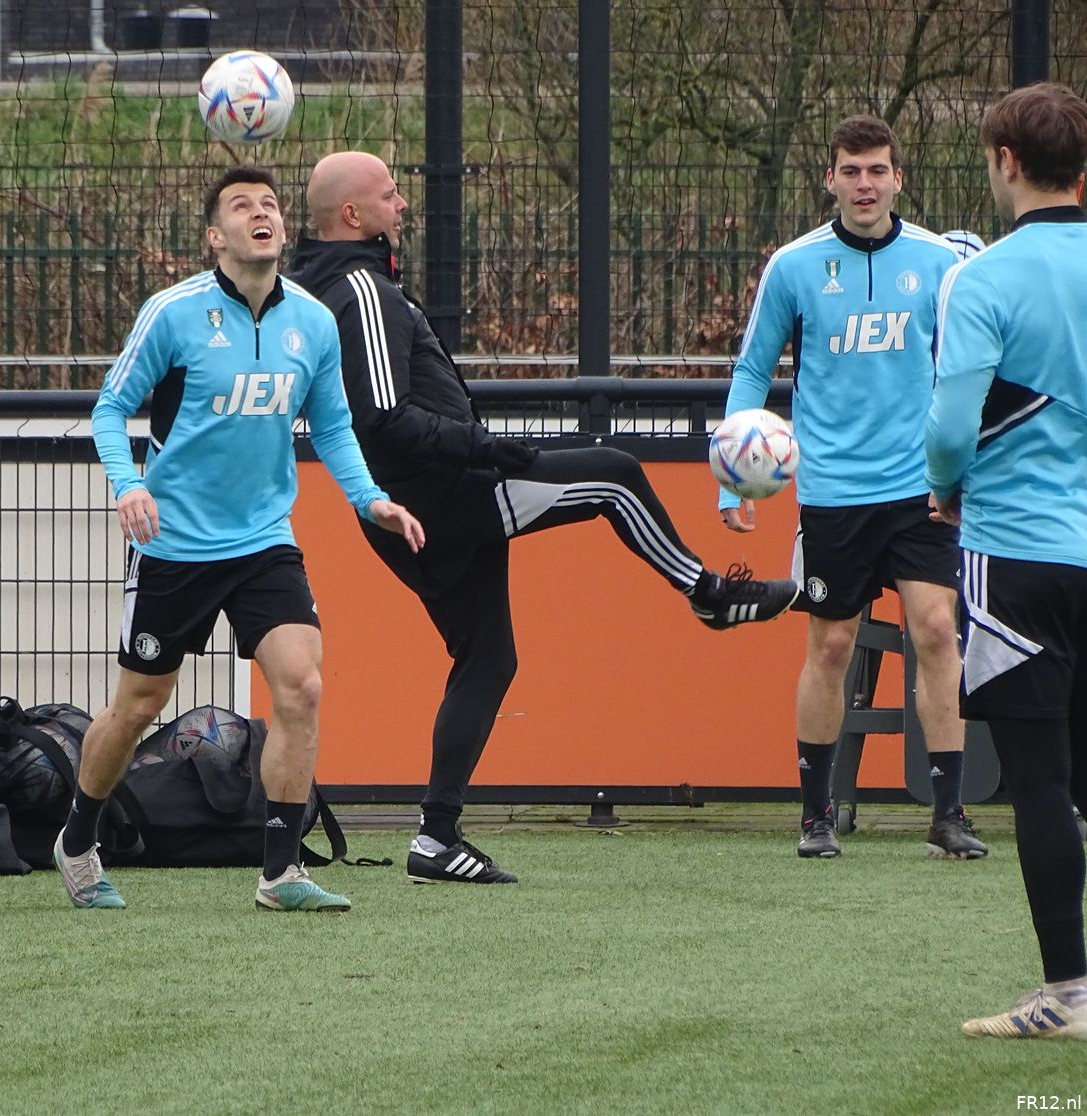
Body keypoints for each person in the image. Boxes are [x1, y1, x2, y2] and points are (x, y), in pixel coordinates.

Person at [287, 151, 800, 885]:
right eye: (391, 195)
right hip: (444, 499)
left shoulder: (340, 286)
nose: (403, 205)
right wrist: (487, 448)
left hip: (421, 505)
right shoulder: (363, 288)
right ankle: (708, 595)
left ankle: (435, 839)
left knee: (488, 662)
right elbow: (384, 418)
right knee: (616, 476)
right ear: (353, 216)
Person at [53, 166, 424, 914]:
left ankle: (280, 874)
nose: (262, 214)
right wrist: (128, 485)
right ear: (214, 237)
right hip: (175, 544)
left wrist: (370, 500)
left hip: (262, 539)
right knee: (137, 706)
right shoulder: (174, 313)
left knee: (304, 685)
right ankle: (77, 841)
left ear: (285, 229)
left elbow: (335, 426)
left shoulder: (313, 322)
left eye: (271, 205)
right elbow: (110, 407)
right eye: (242, 207)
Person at [719, 115, 987, 861]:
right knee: (832, 645)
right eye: (851, 171)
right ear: (830, 179)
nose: (864, 185)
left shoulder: (941, 264)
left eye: (877, 171)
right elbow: (750, 371)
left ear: (898, 178)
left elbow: (972, 371)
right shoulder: (794, 266)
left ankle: (949, 812)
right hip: (833, 489)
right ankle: (814, 814)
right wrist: (730, 475)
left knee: (936, 630)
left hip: (921, 486)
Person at [926, 81, 1087, 1039]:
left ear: (1003, 163)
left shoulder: (980, 278)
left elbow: (950, 426)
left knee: (1038, 782)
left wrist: (946, 486)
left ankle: (1068, 994)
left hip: (1019, 551)